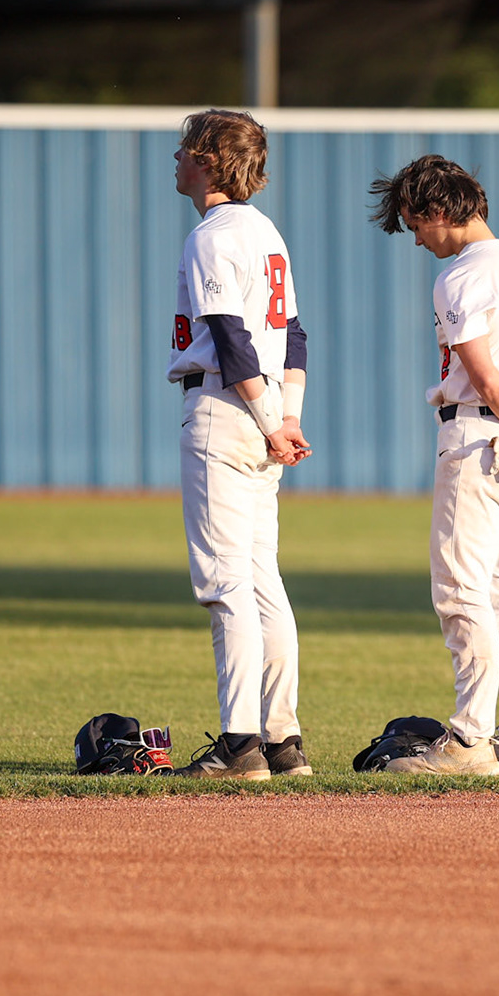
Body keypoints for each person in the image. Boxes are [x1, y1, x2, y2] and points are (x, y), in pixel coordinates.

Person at [368, 155, 499, 776]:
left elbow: (482, 370)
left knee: (461, 593)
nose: (417, 239)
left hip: (480, 442)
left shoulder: (462, 273)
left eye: (415, 224)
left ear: (436, 211)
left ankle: (469, 741)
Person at [164, 109, 312, 779]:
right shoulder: (267, 234)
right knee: (261, 580)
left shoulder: (214, 233)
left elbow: (230, 337)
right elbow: (296, 337)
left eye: (184, 150)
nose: (176, 159)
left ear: (208, 160)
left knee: (227, 583)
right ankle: (282, 741)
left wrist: (265, 419)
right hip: (265, 413)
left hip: (228, 410)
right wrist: (287, 417)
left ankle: (240, 743)